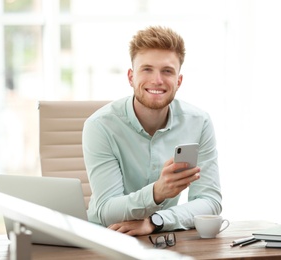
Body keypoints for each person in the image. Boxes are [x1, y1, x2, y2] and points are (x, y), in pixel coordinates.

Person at [82, 25, 222, 236]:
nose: (157, 80)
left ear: (179, 81)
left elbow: (209, 202)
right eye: (147, 69)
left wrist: (156, 221)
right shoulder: (100, 126)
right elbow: (106, 211)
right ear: (131, 77)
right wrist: (156, 193)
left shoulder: (199, 122)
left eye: (167, 71)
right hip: (106, 238)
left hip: (161, 237)